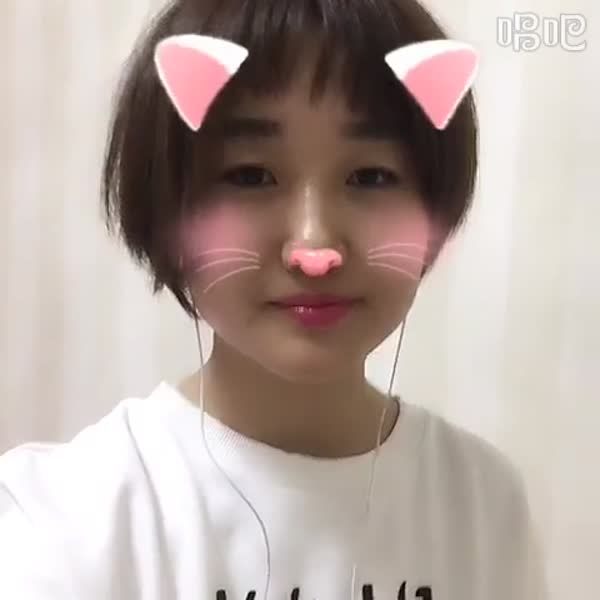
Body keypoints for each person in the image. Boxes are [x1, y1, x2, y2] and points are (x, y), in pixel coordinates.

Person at [0, 0, 548, 598]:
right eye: (251, 176)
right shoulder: (60, 521)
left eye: (370, 176)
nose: (315, 247)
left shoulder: (483, 507)